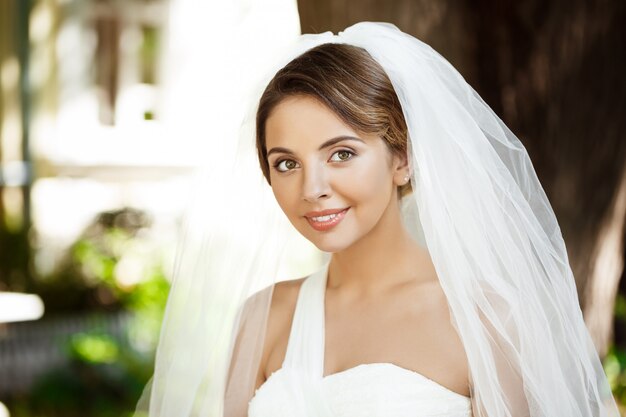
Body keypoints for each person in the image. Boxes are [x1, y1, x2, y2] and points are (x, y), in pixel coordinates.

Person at [136, 22, 620, 417]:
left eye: (341, 153)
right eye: (286, 162)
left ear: (402, 159)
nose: (312, 188)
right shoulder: (263, 318)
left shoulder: (485, 321)